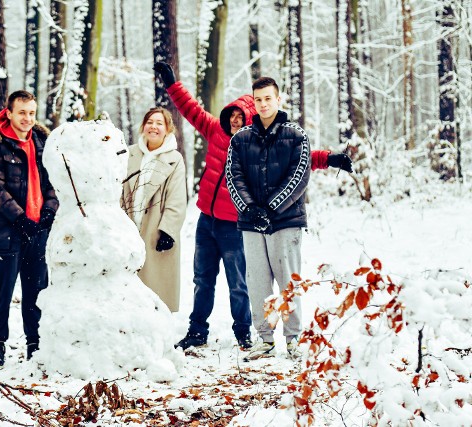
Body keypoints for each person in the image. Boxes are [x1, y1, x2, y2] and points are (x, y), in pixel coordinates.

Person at [154, 62, 351, 351]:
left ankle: (245, 331)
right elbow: (190, 108)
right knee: (202, 279)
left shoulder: (254, 141)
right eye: (231, 115)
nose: (234, 120)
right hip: (206, 220)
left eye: (240, 116)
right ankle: (197, 331)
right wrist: (172, 83)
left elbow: (300, 156)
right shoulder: (217, 133)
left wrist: (330, 158)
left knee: (240, 283)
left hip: (235, 223)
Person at [226, 76, 310, 359]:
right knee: (258, 281)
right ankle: (264, 338)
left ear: (278, 99)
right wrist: (251, 210)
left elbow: (298, 177)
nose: (263, 104)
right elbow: (233, 177)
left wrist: (271, 209)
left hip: (286, 221)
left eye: (268, 99)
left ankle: (293, 337)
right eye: (258, 99)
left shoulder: (296, 135)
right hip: (251, 223)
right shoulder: (240, 139)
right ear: (254, 102)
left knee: (288, 281)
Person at [0, 90, 59, 369]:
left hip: (38, 231)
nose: (27, 118)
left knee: (36, 291)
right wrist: (19, 219)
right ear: (9, 112)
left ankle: (34, 345)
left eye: (31, 113)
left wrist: (50, 209)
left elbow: (53, 183)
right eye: (22, 112)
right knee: (2, 293)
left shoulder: (43, 144)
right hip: (6, 232)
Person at [121, 107, 187, 312]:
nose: (154, 127)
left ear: (168, 129)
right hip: (128, 228)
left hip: (155, 232)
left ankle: (157, 332)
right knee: (126, 291)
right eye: (150, 122)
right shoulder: (128, 153)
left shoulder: (174, 159)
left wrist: (167, 231)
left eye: (159, 123)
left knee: (154, 293)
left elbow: (176, 200)